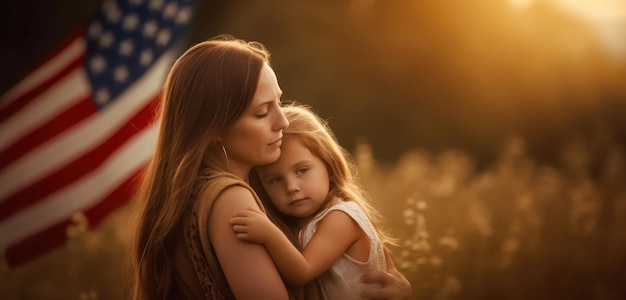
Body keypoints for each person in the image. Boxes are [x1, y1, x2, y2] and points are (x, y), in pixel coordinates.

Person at [130, 35, 411, 299]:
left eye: (278, 102)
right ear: (213, 128)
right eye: (262, 112)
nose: (283, 122)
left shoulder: (204, 192)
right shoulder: (230, 199)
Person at [229, 104, 404, 299]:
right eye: (276, 179)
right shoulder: (305, 223)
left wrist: (268, 234)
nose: (291, 187)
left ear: (329, 168)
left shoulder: (342, 217)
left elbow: (302, 271)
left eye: (302, 170)